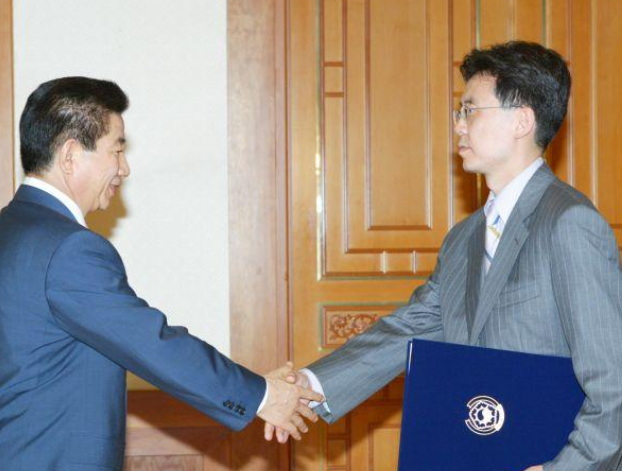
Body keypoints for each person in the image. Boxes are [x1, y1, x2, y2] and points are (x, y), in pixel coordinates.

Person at [267, 41, 622, 470]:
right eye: (459, 112)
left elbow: (613, 380)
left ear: (522, 121)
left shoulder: (569, 222)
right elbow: (410, 327)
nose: (458, 125)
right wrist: (310, 384)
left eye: (470, 110)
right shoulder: (463, 238)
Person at [0, 76, 322, 471]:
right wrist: (262, 396)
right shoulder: (69, 248)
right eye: (117, 150)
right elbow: (151, 342)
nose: (124, 168)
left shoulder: (9, 230)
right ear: (70, 155)